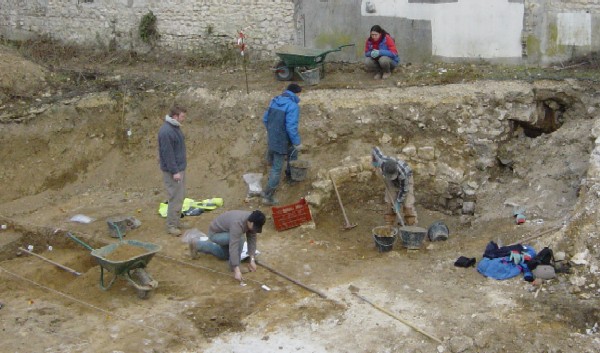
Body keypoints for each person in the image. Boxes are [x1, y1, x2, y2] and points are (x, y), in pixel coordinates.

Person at [189, 210, 266, 282]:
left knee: (224, 255)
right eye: (255, 227)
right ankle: (233, 267)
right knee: (239, 239)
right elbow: (234, 245)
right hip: (215, 234)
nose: (255, 229)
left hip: (227, 233)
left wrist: (251, 259)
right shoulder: (238, 223)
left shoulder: (252, 220)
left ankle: (197, 245)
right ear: (251, 223)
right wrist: (236, 269)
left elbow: (252, 240)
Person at [261, 83, 303, 206]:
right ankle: (267, 195)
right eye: (300, 94)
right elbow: (291, 127)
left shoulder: (275, 101)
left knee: (292, 154)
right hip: (282, 140)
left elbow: (265, 119)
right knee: (276, 168)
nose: (300, 96)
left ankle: (290, 176)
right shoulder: (293, 106)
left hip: (273, 138)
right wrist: (297, 142)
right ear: (296, 93)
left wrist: (273, 132)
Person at [158, 105, 188, 236]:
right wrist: (175, 171)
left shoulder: (174, 128)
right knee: (175, 198)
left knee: (179, 197)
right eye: (182, 116)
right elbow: (168, 154)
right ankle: (171, 226)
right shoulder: (166, 132)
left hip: (179, 168)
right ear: (175, 116)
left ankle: (176, 222)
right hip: (173, 171)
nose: (184, 119)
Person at [371, 146, 418, 226]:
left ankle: (411, 225)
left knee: (407, 205)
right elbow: (374, 149)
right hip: (391, 183)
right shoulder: (381, 161)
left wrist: (398, 203)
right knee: (390, 203)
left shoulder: (404, 175)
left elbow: (403, 190)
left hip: (406, 182)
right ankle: (389, 225)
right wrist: (374, 162)